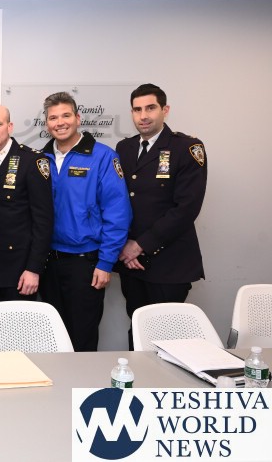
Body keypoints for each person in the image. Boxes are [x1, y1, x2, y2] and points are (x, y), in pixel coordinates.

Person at [116, 83, 207, 348]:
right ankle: (136, 376)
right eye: (137, 110)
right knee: (138, 331)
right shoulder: (124, 148)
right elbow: (119, 202)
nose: (143, 116)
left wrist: (140, 245)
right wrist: (125, 244)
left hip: (170, 262)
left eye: (150, 108)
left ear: (165, 110)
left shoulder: (187, 148)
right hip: (132, 262)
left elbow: (186, 208)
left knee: (168, 341)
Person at [39, 92, 131, 352]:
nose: (60, 122)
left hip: (86, 263)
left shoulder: (103, 157)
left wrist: (106, 262)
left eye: (66, 115)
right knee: (53, 340)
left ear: (78, 118)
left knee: (82, 339)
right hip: (48, 263)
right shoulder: (40, 159)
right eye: (53, 118)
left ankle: (81, 381)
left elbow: (118, 213)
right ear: (47, 123)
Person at [0, 104, 53, 303]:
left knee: (19, 322)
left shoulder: (32, 160)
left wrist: (34, 268)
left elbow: (43, 221)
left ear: (10, 126)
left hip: (19, 270)